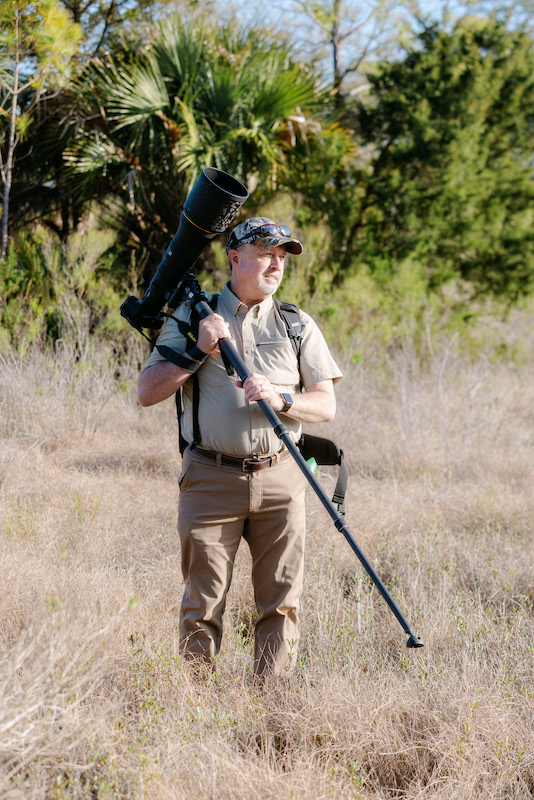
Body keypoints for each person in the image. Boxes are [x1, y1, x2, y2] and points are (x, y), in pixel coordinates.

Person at [137, 217, 342, 680]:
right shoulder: (194, 316)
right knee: (202, 604)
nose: (276, 263)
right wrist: (197, 351)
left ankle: (273, 709)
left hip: (282, 477)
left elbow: (326, 405)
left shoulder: (296, 324)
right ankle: (196, 708)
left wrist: (282, 398)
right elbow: (147, 391)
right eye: (266, 252)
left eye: (283, 256)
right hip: (211, 479)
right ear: (235, 257)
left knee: (282, 602)